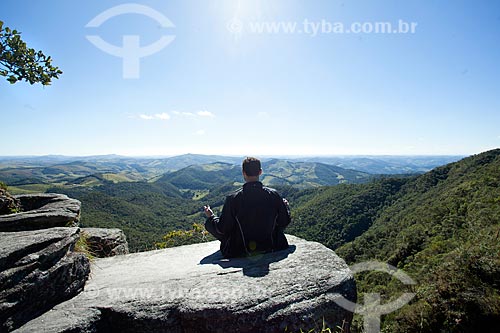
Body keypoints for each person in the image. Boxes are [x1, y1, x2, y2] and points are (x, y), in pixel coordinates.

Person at [204, 157, 291, 258]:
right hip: (272, 246)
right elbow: (284, 222)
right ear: (260, 172)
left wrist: (211, 217)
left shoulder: (233, 199)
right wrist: (286, 208)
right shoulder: (273, 195)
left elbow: (222, 229)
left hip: (239, 250)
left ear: (243, 173)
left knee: (210, 224)